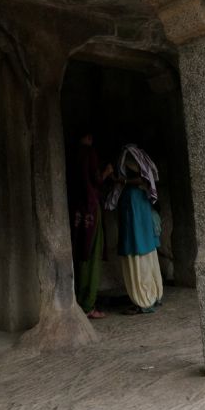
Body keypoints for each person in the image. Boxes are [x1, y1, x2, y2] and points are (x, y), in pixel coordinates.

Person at [104, 143, 164, 314]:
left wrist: (119, 180)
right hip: (137, 206)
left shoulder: (129, 153)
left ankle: (143, 300)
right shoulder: (136, 153)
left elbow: (142, 178)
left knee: (138, 252)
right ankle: (152, 294)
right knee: (145, 251)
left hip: (134, 208)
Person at [71, 133, 112, 319]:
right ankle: (88, 304)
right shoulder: (89, 153)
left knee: (81, 253)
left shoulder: (73, 154)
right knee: (92, 254)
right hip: (91, 209)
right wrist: (107, 172)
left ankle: (79, 299)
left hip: (78, 211)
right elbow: (97, 179)